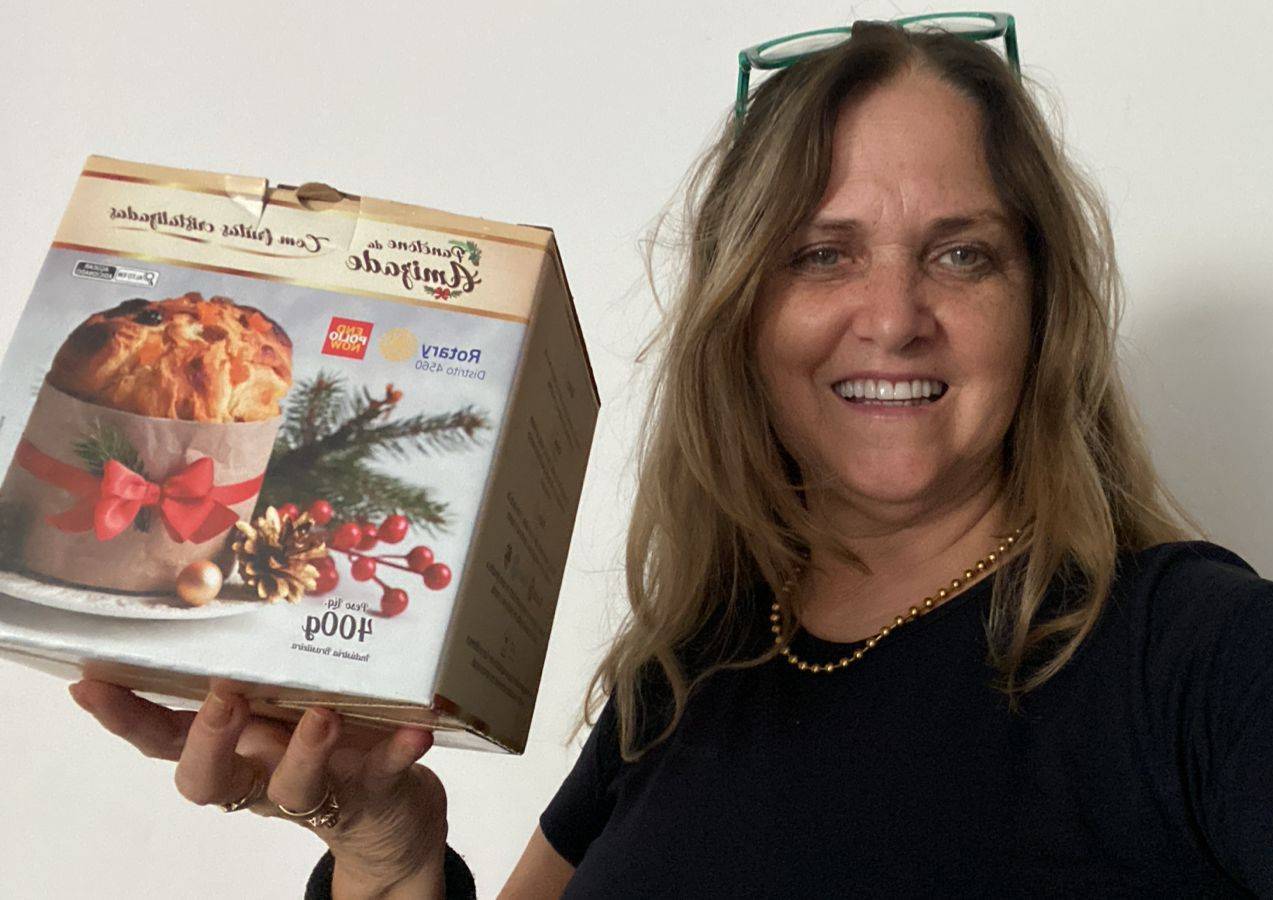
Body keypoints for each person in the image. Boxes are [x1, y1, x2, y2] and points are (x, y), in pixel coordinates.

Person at [66, 15, 1273, 898]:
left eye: (961, 254)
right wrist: (385, 854)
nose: (894, 315)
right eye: (822, 254)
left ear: (1042, 311)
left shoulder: (1201, 655)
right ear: (741, 316)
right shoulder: (690, 674)